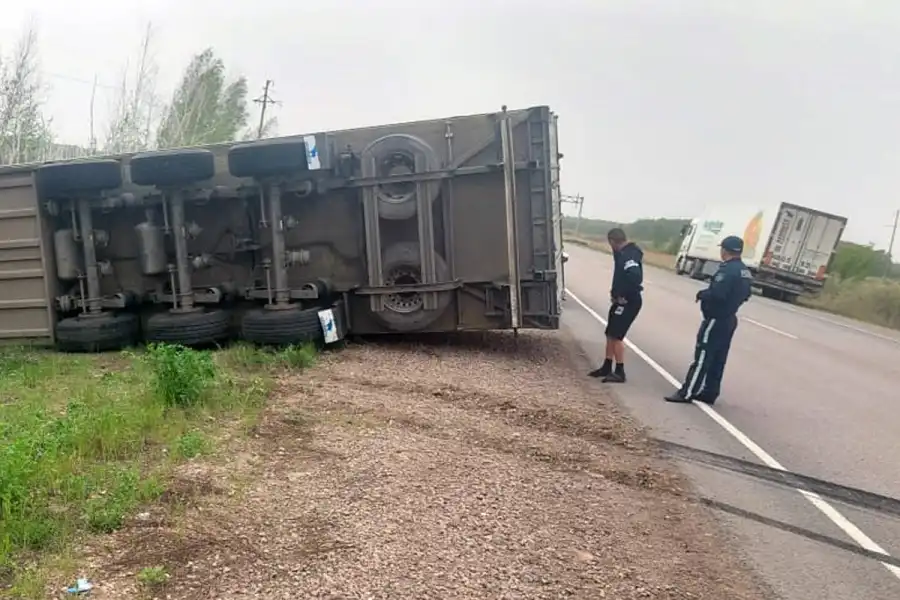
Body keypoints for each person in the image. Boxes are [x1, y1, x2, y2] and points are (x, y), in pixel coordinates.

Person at [665, 235, 753, 405]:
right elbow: (746, 294)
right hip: (729, 318)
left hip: (716, 318)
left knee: (703, 355)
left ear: (725, 250)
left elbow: (718, 294)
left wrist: (702, 295)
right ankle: (710, 392)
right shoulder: (745, 272)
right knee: (719, 358)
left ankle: (687, 392)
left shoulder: (727, 270)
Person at [589, 228, 644, 383]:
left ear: (612, 241)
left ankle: (620, 371)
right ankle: (607, 366)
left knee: (616, 336)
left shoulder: (629, 255)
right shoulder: (621, 253)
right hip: (620, 301)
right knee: (610, 333)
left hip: (629, 302)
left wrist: (623, 294)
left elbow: (635, 277)